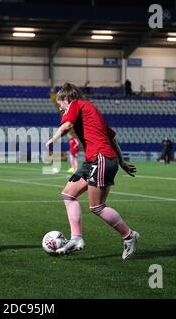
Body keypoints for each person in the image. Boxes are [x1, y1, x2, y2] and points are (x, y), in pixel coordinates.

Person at [46, 82, 139, 260]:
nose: (60, 109)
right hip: (95, 160)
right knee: (68, 195)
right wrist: (121, 162)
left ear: (67, 99)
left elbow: (66, 126)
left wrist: (52, 139)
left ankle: (129, 236)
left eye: (60, 104)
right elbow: (112, 138)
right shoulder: (90, 111)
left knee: (97, 206)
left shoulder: (76, 104)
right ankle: (76, 238)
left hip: (101, 158)